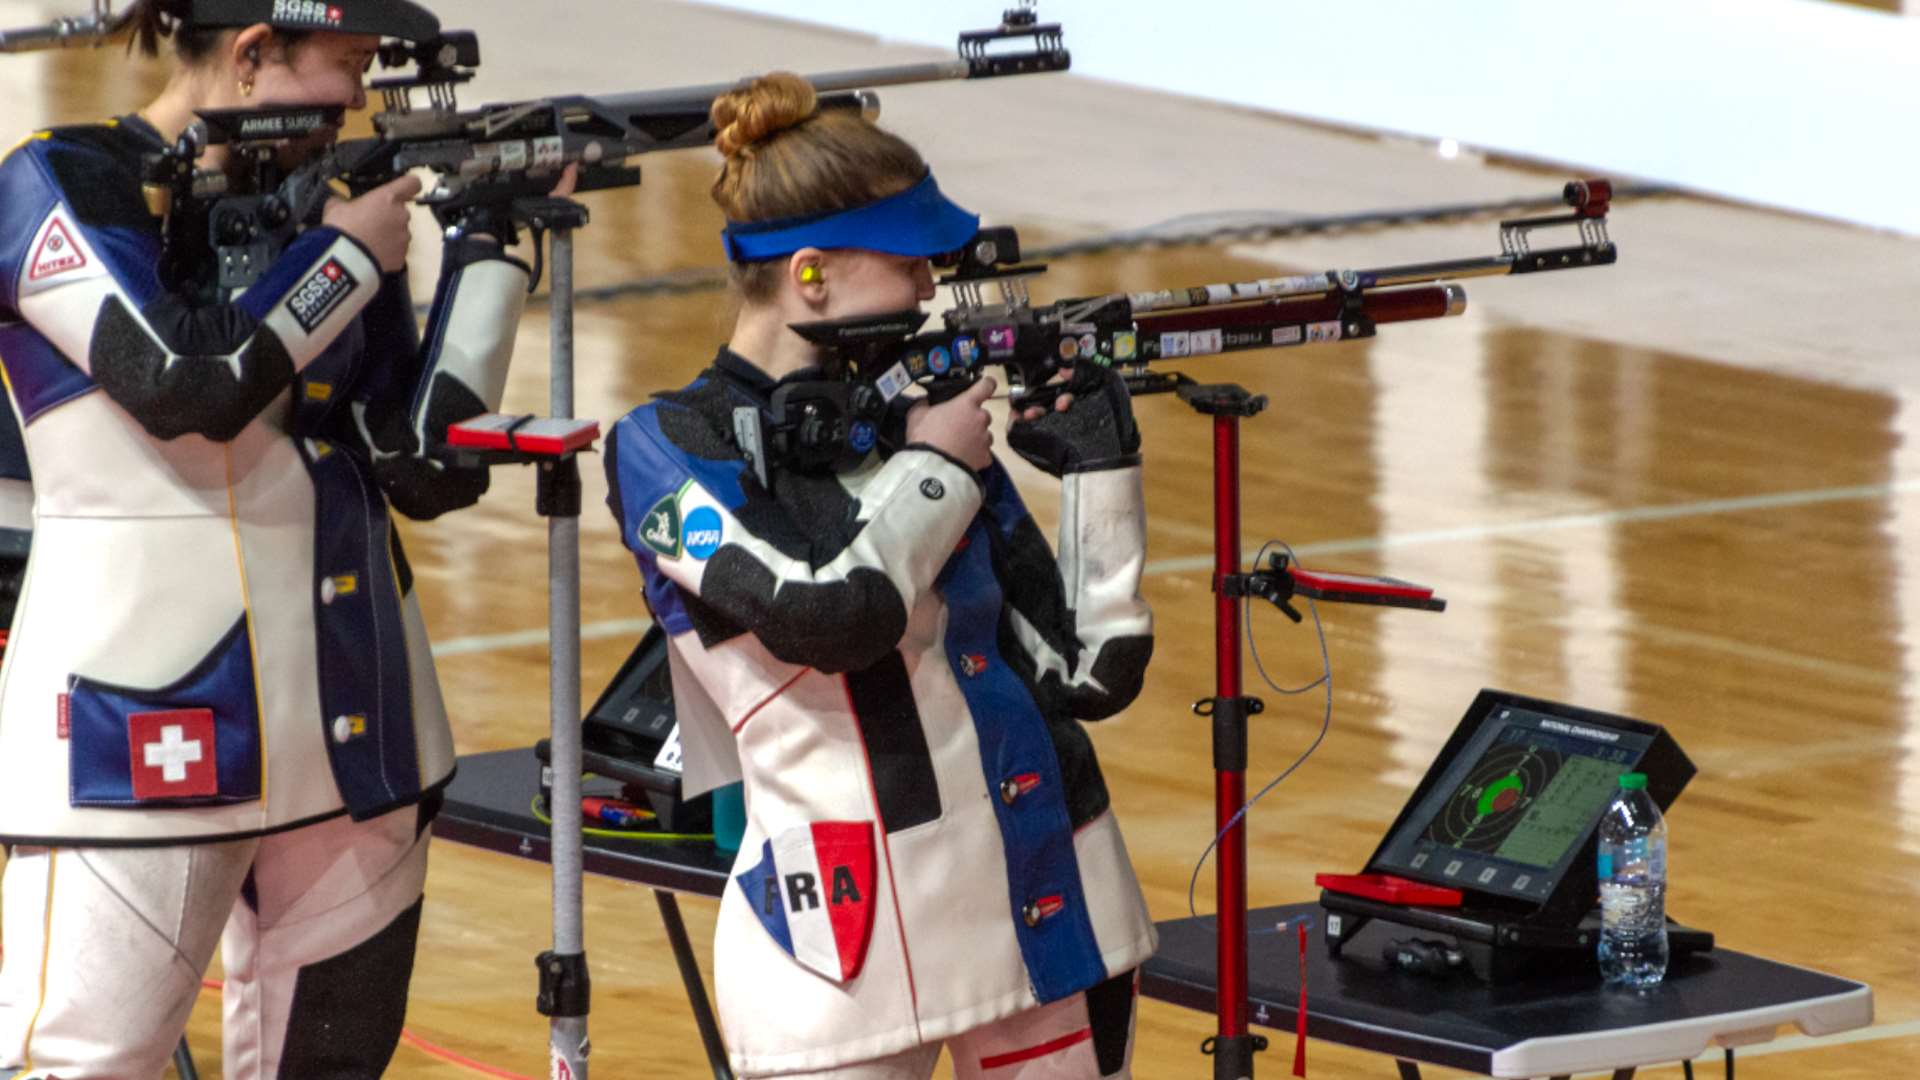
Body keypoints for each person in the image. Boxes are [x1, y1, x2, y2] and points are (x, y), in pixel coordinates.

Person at [0, 1, 546, 1074]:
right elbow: (181, 381)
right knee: (83, 1060)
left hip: (362, 723)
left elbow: (421, 464)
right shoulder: (58, 178)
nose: (360, 98)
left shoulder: (318, 208)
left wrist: (490, 250)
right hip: (142, 725)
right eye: (345, 64)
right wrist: (341, 257)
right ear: (252, 55)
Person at [605, 72, 1158, 1079]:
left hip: (1042, 890)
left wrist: (1102, 476)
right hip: (837, 946)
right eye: (909, 268)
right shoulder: (665, 445)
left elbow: (1091, 672)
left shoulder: (910, 418)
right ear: (809, 273)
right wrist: (942, 467)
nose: (927, 296)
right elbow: (827, 616)